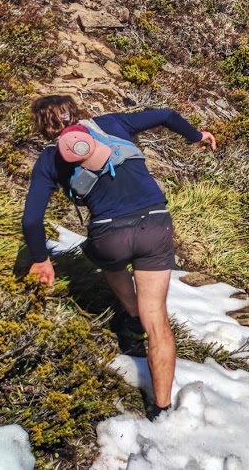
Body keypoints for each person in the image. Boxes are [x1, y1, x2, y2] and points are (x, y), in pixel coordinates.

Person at [21, 94, 217, 421]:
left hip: (108, 235)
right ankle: (163, 408)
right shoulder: (112, 123)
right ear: (77, 113)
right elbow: (167, 113)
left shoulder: (48, 160)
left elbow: (31, 219)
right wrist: (197, 136)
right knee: (158, 318)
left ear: (43, 126)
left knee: (102, 256)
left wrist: (41, 259)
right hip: (154, 224)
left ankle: (130, 314)